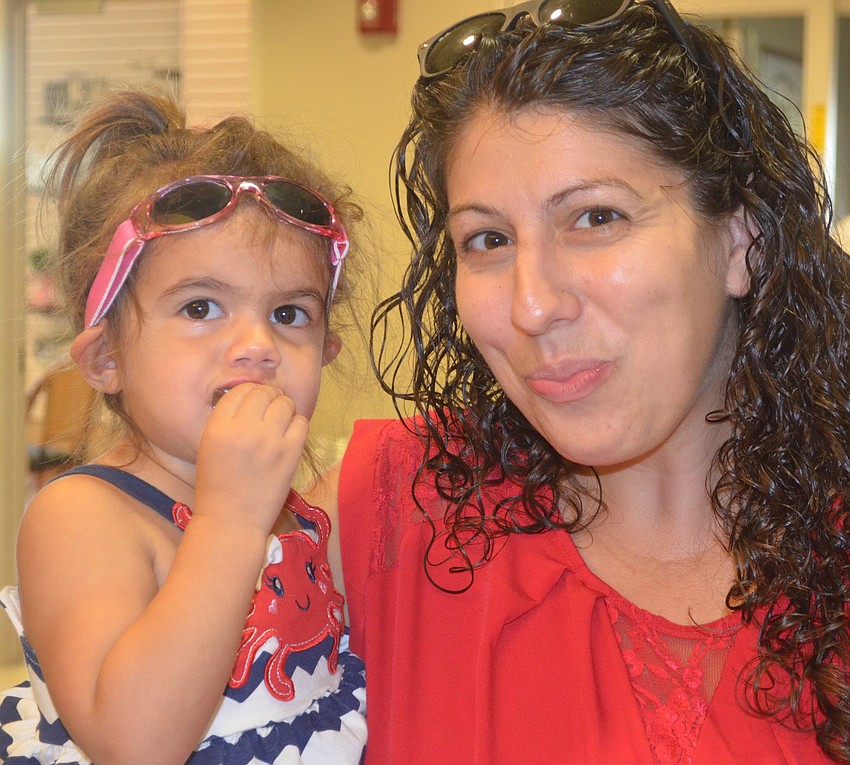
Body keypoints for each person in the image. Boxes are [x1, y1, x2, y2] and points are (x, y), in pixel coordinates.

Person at [307, 0, 850, 763]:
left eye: (595, 218)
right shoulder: (384, 515)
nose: (532, 305)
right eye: (488, 239)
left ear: (740, 242)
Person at [0, 90, 367, 764]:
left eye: (290, 313)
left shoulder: (294, 514)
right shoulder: (83, 515)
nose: (257, 343)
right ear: (106, 357)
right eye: (201, 306)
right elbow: (133, 741)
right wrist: (228, 521)